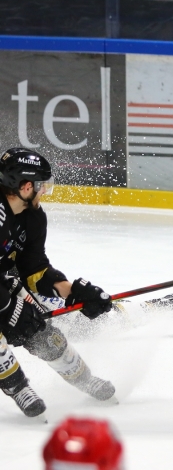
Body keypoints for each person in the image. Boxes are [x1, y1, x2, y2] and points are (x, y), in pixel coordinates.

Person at [0, 148, 116, 419]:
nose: (44, 192)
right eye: (42, 186)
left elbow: (34, 269)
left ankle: (85, 379)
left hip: (5, 282)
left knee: (40, 330)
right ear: (26, 186)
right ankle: (18, 386)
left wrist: (71, 291)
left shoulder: (34, 217)